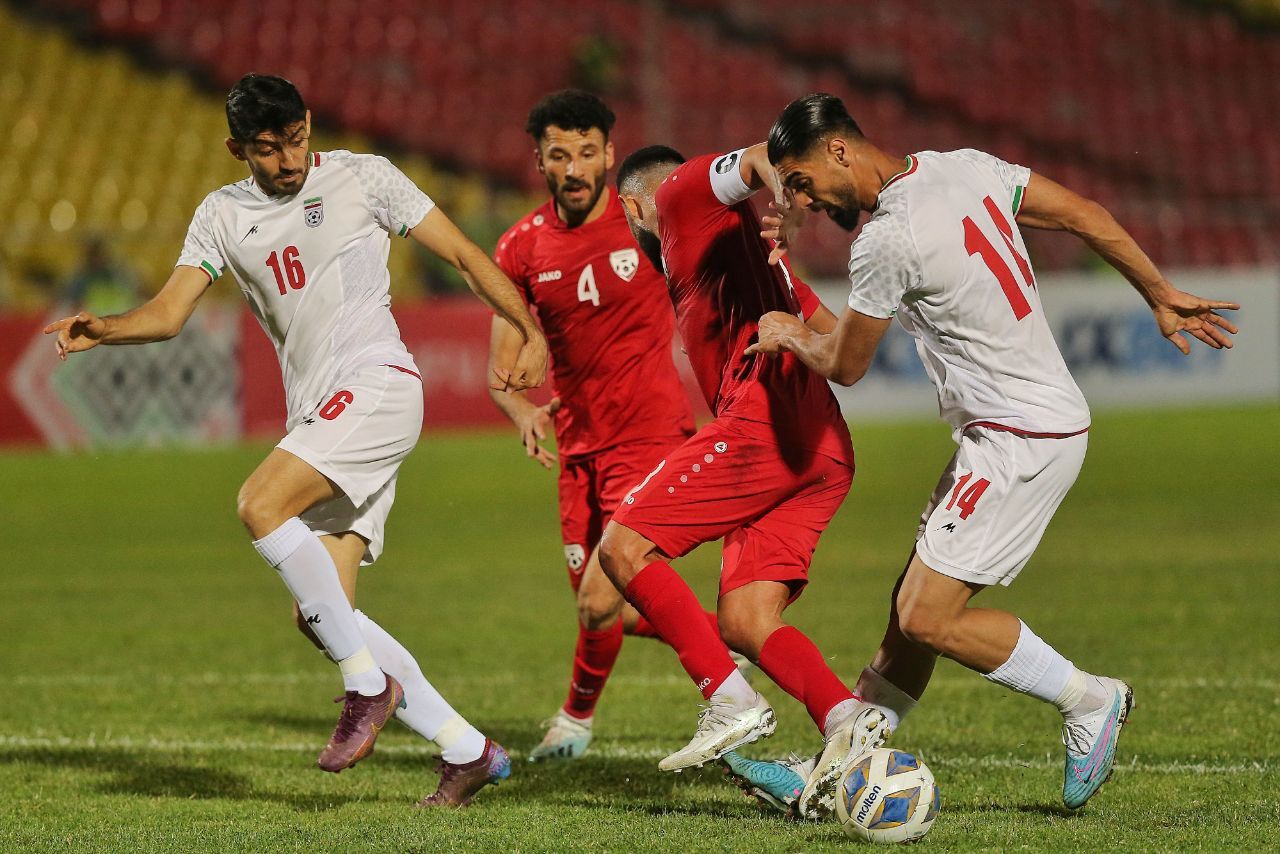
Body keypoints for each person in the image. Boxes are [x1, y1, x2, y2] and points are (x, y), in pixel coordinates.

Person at [43, 73, 549, 808]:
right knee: (322, 615)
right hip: (322, 413)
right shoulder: (221, 214)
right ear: (236, 148)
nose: (286, 160)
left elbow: (467, 256)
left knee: (259, 503)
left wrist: (529, 328)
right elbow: (170, 311)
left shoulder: (364, 177)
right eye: (267, 148)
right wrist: (107, 328)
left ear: (310, 124)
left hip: (377, 383)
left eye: (296, 140)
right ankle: (468, 749)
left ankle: (365, 689)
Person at [738, 92, 1240, 813]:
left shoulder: (884, 241)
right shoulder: (963, 167)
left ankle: (1089, 699)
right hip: (1013, 429)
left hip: (1018, 439)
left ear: (839, 149)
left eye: (803, 181)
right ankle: (840, 765)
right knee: (905, 612)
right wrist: (1157, 292)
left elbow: (845, 364)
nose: (805, 199)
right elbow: (1084, 215)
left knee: (925, 617)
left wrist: (788, 333)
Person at [602, 142, 889, 819]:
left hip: (760, 425)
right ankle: (846, 717)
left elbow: (763, 153)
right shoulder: (747, 262)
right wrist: (794, 329)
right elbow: (834, 336)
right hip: (823, 449)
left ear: (630, 207)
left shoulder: (677, 197)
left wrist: (788, 207)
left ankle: (729, 699)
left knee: (622, 548)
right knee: (745, 618)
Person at [489, 90, 713, 761]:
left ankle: (578, 722)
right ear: (541, 162)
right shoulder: (521, 249)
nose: (576, 167)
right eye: (561, 155)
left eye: (589, 153)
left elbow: (717, 242)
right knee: (608, 608)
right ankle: (741, 639)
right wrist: (523, 408)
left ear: (610, 155)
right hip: (578, 455)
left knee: (596, 600)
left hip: (648, 438)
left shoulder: (647, 220)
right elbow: (502, 371)